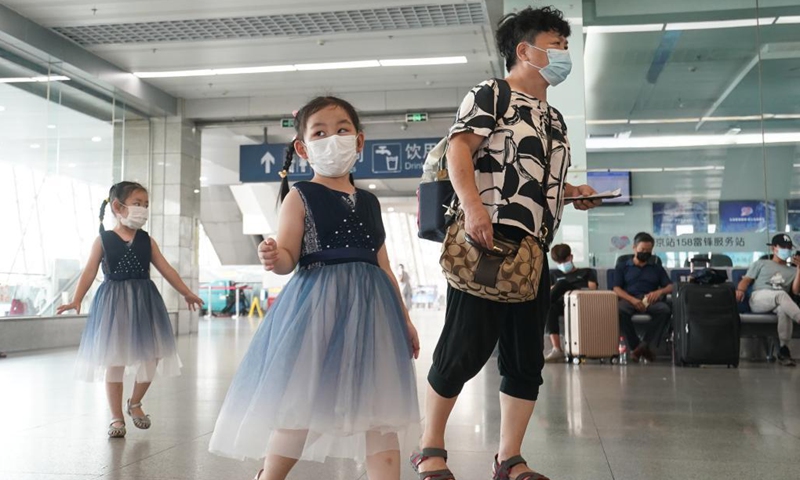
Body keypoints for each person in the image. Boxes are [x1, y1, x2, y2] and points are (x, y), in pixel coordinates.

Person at [412, 7, 600, 480]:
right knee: (464, 346)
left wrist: (573, 194)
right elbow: (459, 148)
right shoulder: (492, 94)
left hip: (534, 250)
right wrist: (474, 208)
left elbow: (540, 182)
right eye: (556, 44)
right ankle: (430, 446)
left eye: (564, 45)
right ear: (525, 50)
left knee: (524, 356)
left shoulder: (556, 119)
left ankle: (509, 457)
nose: (563, 54)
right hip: (488, 239)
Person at [208, 96, 421, 480]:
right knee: (301, 404)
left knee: (381, 410)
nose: (332, 139)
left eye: (342, 130)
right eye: (320, 132)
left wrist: (403, 319)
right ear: (304, 148)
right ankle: (269, 475)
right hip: (318, 310)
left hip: (374, 313)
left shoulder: (370, 202)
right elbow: (290, 255)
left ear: (359, 141)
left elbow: (383, 265)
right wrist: (275, 257)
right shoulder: (300, 195)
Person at [57, 181, 204, 438]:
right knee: (115, 359)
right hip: (113, 304)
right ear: (118, 206)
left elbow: (166, 269)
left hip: (145, 301)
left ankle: (134, 403)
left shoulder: (147, 240)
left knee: (153, 355)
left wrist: (186, 292)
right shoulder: (103, 240)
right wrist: (76, 298)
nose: (143, 210)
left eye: (146, 205)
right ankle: (116, 417)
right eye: (138, 204)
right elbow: (90, 271)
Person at [736, 234, 800, 367]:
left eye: (789, 247)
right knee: (781, 295)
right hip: (759, 298)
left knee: (784, 309)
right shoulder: (761, 263)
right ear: (773, 249)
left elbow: (795, 291)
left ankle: (783, 350)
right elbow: (747, 280)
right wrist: (740, 290)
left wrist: (799, 270)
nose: (786, 250)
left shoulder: (793, 270)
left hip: (779, 302)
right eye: (783, 247)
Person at [612, 232, 672, 363]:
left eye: (648, 251)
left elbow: (670, 287)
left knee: (665, 310)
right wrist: (632, 300)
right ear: (634, 248)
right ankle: (637, 347)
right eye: (642, 250)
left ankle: (643, 345)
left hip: (649, 300)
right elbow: (616, 288)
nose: (645, 253)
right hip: (630, 299)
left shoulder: (656, 267)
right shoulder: (623, 266)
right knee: (619, 310)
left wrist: (659, 292)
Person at [544, 244, 598, 363]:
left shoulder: (587, 272)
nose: (562, 264)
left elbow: (592, 290)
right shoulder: (553, 274)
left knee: (562, 284)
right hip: (561, 304)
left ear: (571, 257)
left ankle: (538, 309)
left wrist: (562, 288)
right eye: (559, 262)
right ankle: (557, 349)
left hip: (581, 303)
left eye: (565, 260)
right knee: (550, 308)